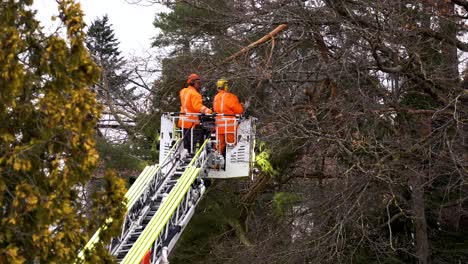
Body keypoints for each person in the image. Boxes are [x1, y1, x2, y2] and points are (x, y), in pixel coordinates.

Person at [178, 73, 212, 153]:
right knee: (193, 145)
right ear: (193, 83)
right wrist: (209, 111)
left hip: (182, 123)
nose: (199, 85)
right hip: (191, 124)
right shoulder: (195, 94)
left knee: (185, 145)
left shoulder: (183, 91)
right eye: (198, 83)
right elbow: (197, 107)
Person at [213, 78, 244, 155]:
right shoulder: (231, 97)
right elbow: (239, 111)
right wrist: (241, 106)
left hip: (219, 128)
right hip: (230, 127)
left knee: (219, 147)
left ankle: (216, 165)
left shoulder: (216, 97)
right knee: (232, 147)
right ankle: (230, 165)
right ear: (225, 86)